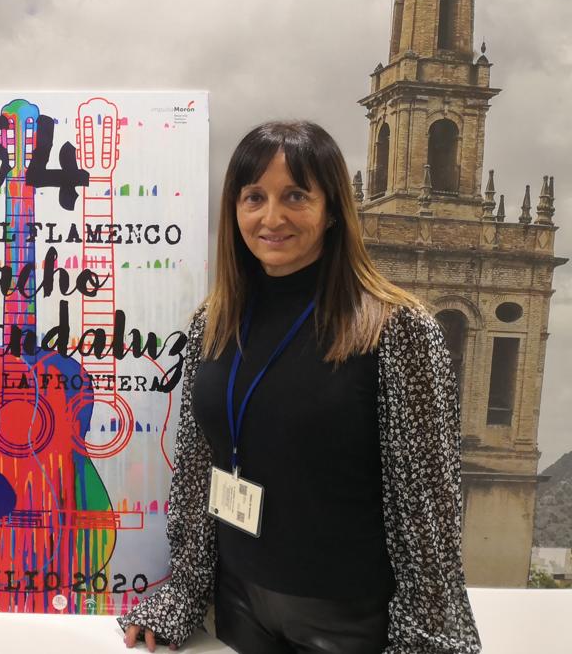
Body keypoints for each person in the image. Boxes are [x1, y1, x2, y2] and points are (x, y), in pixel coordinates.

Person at [119, 121, 480, 653]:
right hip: (237, 606)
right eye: (254, 197)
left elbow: (428, 508)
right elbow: (200, 470)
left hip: (347, 620)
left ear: (332, 208)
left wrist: (428, 641)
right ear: (234, 210)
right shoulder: (213, 324)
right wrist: (185, 591)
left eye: (295, 196)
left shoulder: (397, 328)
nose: (272, 217)